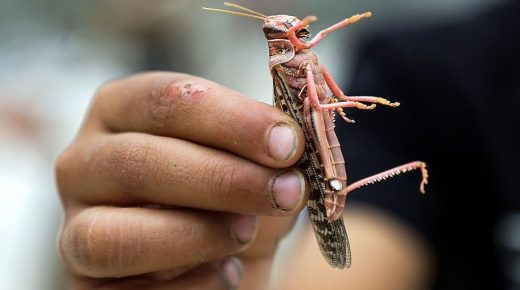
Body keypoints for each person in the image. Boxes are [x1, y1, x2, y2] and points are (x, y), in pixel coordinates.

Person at [55, 1, 519, 290]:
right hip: (317, 143)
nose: (290, 29)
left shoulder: (338, 58)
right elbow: (321, 107)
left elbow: (332, 99)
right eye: (284, 30)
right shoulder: (426, 71)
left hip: (322, 117)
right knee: (330, 173)